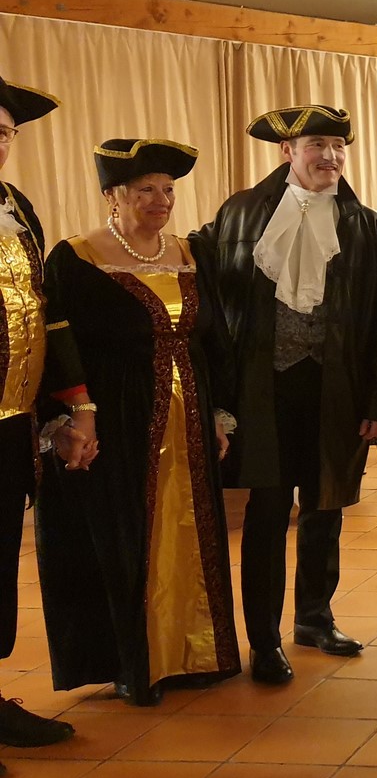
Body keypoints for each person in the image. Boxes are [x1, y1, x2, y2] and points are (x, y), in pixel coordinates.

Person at [191, 105, 377, 684]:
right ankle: (263, 640)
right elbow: (210, 301)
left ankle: (314, 618)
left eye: (337, 145)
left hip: (337, 388)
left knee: (325, 508)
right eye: (315, 144)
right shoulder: (240, 213)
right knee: (268, 511)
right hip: (263, 388)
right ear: (287, 151)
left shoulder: (368, 226)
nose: (329, 156)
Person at [35, 139, 241, 706]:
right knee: (126, 533)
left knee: (190, 528)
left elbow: (215, 340)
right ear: (113, 195)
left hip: (188, 415)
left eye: (168, 190)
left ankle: (194, 651)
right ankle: (135, 659)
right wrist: (75, 413)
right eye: (145, 189)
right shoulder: (76, 257)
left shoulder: (192, 252)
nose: (161, 201)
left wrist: (218, 413)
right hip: (119, 417)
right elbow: (58, 342)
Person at [0, 74, 81, 758]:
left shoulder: (18, 207)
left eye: (3, 134)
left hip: (11, 423)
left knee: (1, 562)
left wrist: (70, 406)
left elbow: (44, 311)